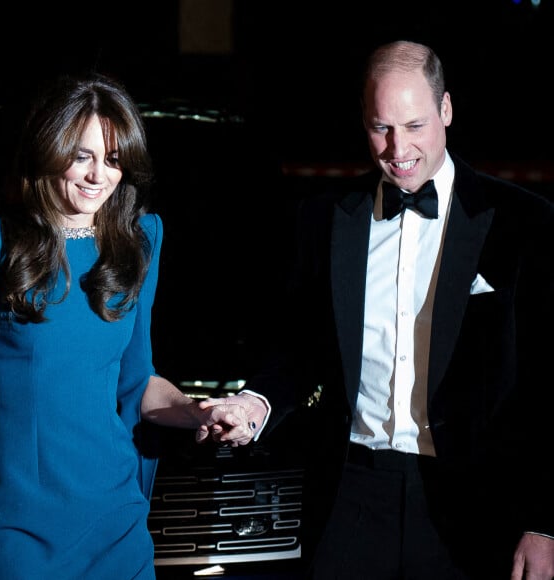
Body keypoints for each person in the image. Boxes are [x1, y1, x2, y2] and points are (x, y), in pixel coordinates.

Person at [200, 40, 554, 579]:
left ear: (447, 110)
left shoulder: (523, 223)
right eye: (380, 127)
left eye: (414, 125)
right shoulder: (325, 220)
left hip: (473, 502)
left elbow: (547, 388)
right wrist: (256, 403)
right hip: (351, 494)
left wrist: (542, 522)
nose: (397, 148)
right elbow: (299, 350)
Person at [0, 72, 256, 580]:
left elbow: (136, 381)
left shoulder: (140, 241)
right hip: (21, 531)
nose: (97, 175)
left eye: (113, 159)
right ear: (48, 147)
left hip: (118, 525)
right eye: (81, 155)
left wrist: (199, 411)